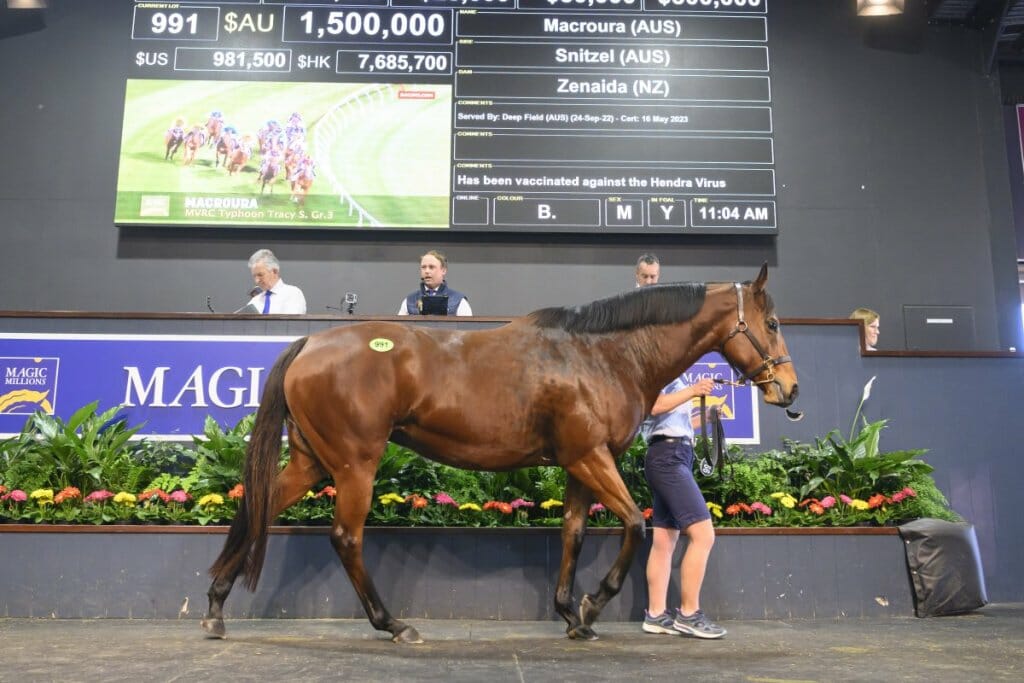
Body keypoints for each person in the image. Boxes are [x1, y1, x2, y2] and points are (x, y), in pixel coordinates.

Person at [636, 254, 727, 639]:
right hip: (668, 458)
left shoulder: (669, 370)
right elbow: (652, 406)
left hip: (670, 452)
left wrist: (703, 417)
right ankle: (688, 614)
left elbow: (668, 419)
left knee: (664, 539)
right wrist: (693, 389)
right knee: (703, 535)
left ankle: (655, 615)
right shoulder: (653, 368)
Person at [397, 250, 473, 316]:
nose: (427, 271)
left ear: (443, 271)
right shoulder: (409, 300)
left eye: (431, 267)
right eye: (423, 267)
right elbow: (399, 330)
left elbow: (467, 329)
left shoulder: (458, 300)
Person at [246, 249, 307, 315]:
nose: (256, 281)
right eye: (254, 276)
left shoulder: (293, 293)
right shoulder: (254, 301)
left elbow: (290, 323)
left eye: (260, 275)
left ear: (275, 271)